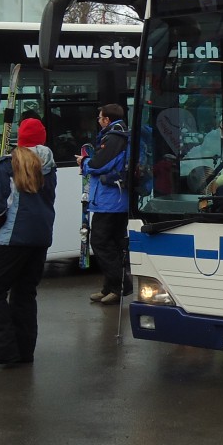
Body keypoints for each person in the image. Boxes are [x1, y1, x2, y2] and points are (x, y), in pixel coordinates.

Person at [0, 117, 57, 370]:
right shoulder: (49, 166)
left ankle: (2, 350)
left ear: (20, 138)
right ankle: (23, 350)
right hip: (40, 237)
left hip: (12, 238)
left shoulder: (9, 164)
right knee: (24, 293)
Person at [77, 104, 131, 305]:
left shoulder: (114, 137)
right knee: (114, 244)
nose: (99, 121)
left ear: (107, 120)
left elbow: (100, 165)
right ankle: (110, 288)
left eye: (100, 118)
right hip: (117, 200)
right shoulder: (121, 135)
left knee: (99, 242)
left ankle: (120, 285)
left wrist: (84, 162)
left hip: (110, 202)